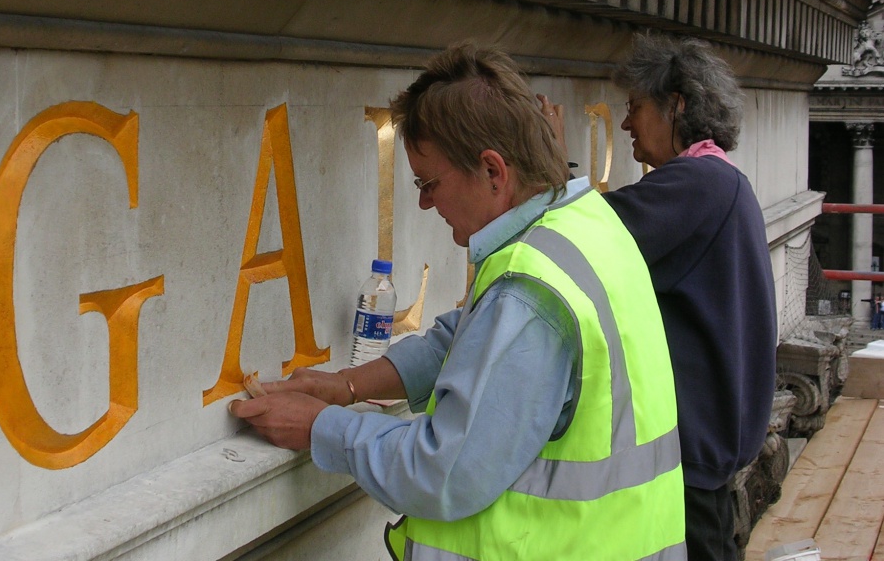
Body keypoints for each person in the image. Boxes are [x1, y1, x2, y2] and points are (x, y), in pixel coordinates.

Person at [231, 42, 687, 560]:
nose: (424, 202)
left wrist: (317, 427)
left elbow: (444, 470)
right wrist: (347, 385)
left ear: (493, 172)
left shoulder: (531, 290)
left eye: (430, 182)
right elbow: (472, 336)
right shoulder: (581, 223)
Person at [542, 33, 777, 561]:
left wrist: (550, 169)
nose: (625, 124)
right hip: (707, 455)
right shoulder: (717, 182)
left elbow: (592, 236)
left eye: (635, 108)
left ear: (677, 105)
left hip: (690, 464)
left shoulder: (698, 185)